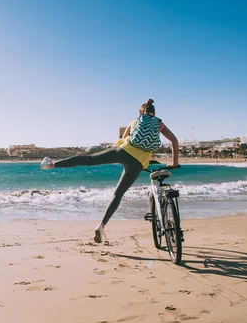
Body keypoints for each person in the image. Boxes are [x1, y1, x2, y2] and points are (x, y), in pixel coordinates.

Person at [41, 98, 180, 243]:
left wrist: (118, 153)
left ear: (141, 113)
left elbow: (122, 139)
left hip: (122, 151)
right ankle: (101, 226)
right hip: (138, 163)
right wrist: (174, 163)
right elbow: (174, 141)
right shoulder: (159, 123)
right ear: (154, 113)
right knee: (118, 194)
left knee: (89, 159)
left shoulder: (134, 121)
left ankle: (52, 164)